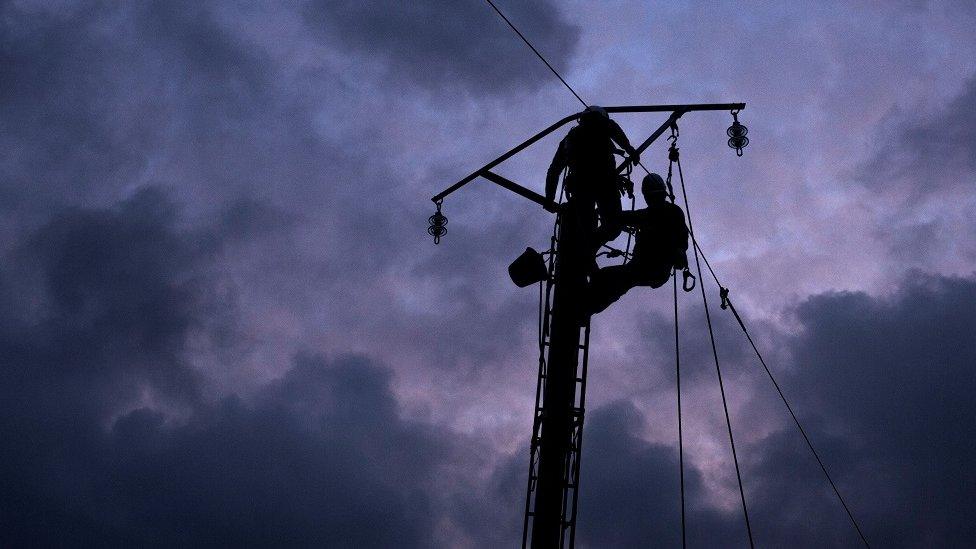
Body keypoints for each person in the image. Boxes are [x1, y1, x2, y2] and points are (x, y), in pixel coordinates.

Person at [587, 173, 690, 315]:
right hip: (648, 268)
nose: (652, 201)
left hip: (651, 268)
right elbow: (626, 217)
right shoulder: (661, 213)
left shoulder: (665, 213)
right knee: (616, 281)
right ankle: (586, 308)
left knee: (610, 278)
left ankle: (585, 308)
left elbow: (627, 217)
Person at [545, 106, 639, 252]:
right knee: (613, 226)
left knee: (586, 229)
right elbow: (616, 132)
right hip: (603, 183)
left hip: (582, 187)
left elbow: (554, 170)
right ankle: (589, 247)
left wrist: (549, 198)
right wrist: (630, 149)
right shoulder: (604, 124)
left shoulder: (570, 138)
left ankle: (587, 248)